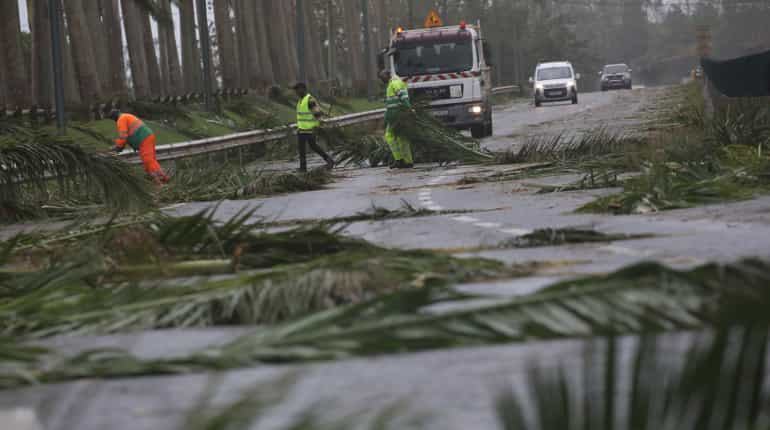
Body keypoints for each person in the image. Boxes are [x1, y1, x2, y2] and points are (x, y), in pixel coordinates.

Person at [110, 110, 169, 184]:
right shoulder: (126, 116)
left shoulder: (121, 119)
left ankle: (160, 181)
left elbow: (123, 136)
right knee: (150, 160)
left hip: (144, 139)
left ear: (114, 117)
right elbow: (127, 135)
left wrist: (118, 148)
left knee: (148, 160)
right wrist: (120, 146)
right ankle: (162, 179)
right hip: (147, 137)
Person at [291, 82, 335, 172]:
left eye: (297, 90)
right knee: (311, 147)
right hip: (302, 129)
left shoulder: (309, 100)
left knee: (305, 148)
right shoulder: (301, 100)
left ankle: (303, 168)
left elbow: (316, 112)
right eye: (295, 90)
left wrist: (320, 121)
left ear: (303, 89)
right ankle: (328, 160)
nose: (296, 92)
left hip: (309, 129)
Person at [379, 69, 414, 169]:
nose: (382, 80)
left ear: (388, 75)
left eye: (382, 77)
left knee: (391, 136)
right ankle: (407, 161)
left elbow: (403, 97)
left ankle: (400, 160)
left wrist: (409, 109)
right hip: (396, 115)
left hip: (398, 115)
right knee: (401, 138)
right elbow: (391, 104)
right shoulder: (393, 83)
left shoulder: (395, 83)